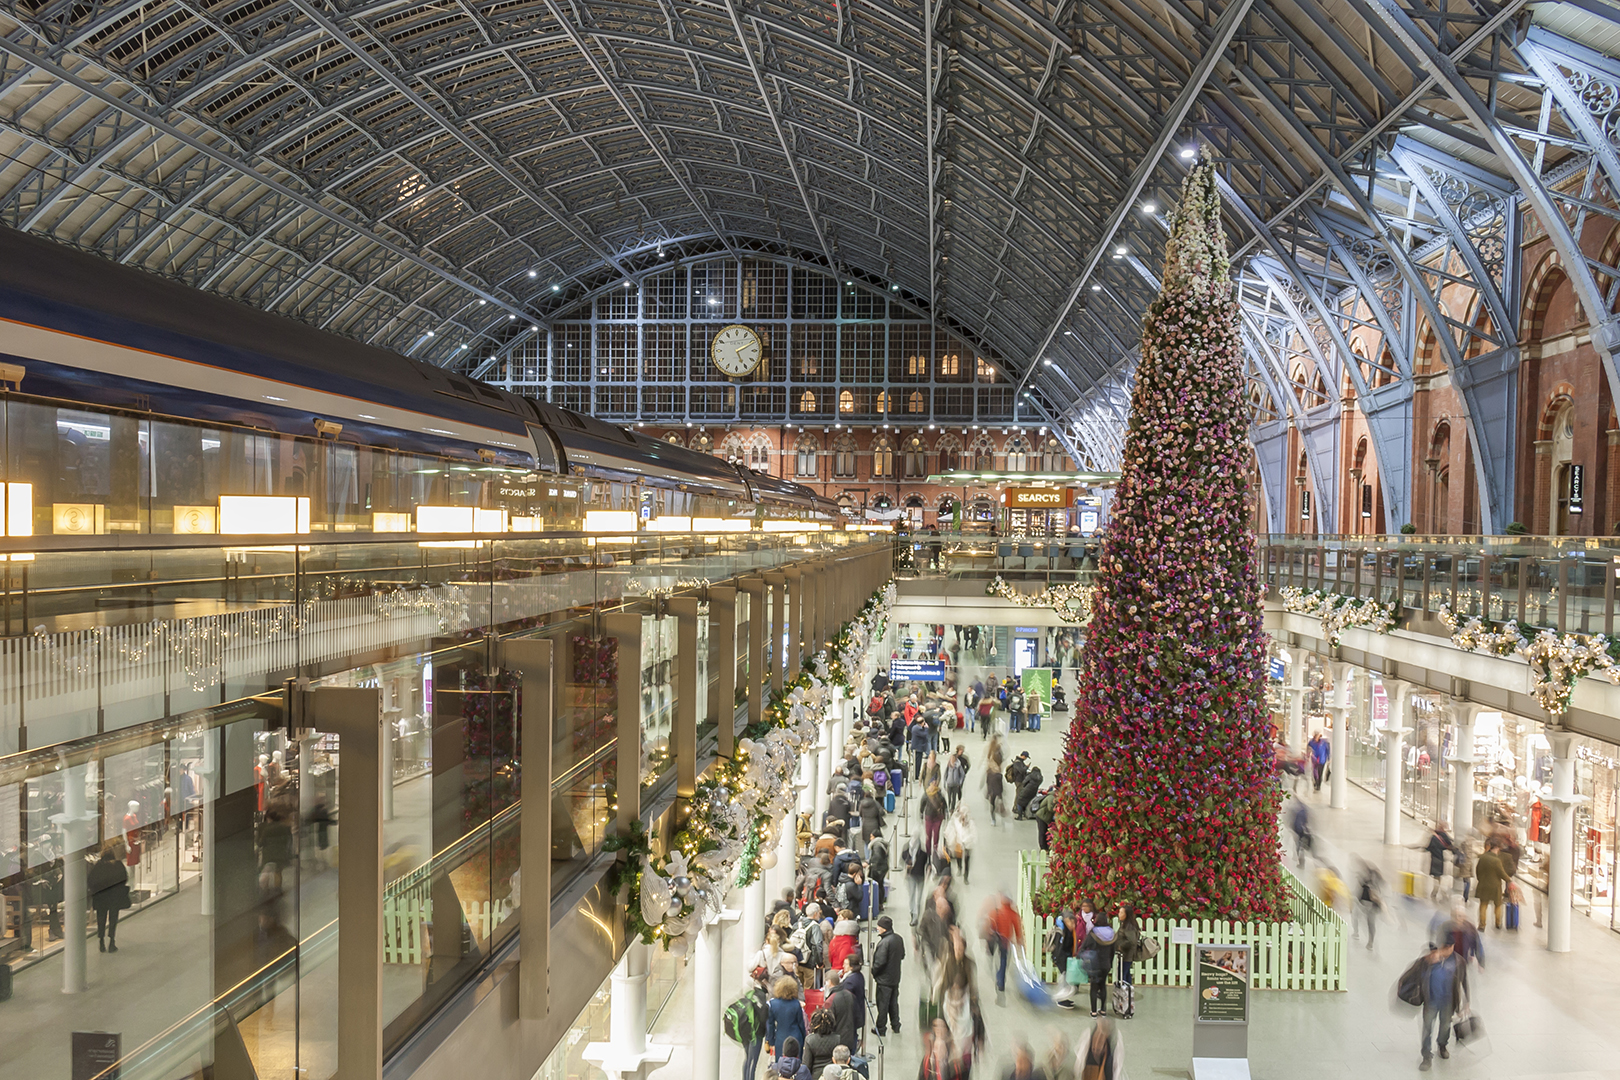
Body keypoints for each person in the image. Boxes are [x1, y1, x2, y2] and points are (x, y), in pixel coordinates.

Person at [1416, 943, 1463, 1070]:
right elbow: (1412, 975)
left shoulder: (1456, 962)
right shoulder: (1425, 963)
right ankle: (1426, 1056)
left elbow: (1462, 981)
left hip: (1447, 1002)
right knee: (1427, 1028)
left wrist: (1464, 1004)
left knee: (1445, 1026)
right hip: (1431, 1002)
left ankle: (1442, 1044)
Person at [982, 891, 1023, 1005]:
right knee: (1004, 961)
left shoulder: (995, 911)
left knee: (995, 959)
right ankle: (1001, 981)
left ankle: (997, 975)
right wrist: (1019, 941)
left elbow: (988, 924)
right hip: (1005, 941)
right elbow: (1017, 929)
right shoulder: (1013, 914)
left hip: (995, 938)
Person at [88, 844, 130, 953]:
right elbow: (124, 878)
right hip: (114, 896)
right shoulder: (118, 865)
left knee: (101, 919)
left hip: (101, 897)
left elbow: (90, 881)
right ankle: (112, 941)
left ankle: (101, 941)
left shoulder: (98, 866)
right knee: (113, 918)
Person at [872, 915, 906, 1037]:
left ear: (884, 928)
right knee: (893, 1003)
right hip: (895, 977)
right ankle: (896, 1025)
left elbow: (879, 963)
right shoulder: (898, 939)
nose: (877, 928)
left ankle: (880, 1028)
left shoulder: (884, 943)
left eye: (879, 926)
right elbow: (902, 955)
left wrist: (874, 972)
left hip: (884, 980)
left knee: (883, 1004)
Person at [1077, 914, 1117, 1017]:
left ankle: (1094, 1011)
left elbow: (1084, 946)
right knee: (1103, 986)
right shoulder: (1112, 934)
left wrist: (1080, 955)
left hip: (1094, 964)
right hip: (1106, 964)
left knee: (1094, 987)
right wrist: (1110, 963)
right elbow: (1113, 951)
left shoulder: (1093, 933)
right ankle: (1103, 1010)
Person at [1473, 840, 1509, 931]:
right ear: (1496, 848)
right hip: (1495, 886)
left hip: (1483, 884)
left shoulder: (1483, 857)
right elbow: (1502, 873)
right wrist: (1509, 880)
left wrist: (1481, 879)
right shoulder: (1496, 860)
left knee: (1483, 904)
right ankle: (1498, 923)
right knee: (1497, 904)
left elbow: (1477, 870)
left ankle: (1482, 924)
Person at [1414, 823, 1455, 900]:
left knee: (1436, 876)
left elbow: (1429, 847)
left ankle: (1435, 891)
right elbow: (1449, 845)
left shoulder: (1433, 837)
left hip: (1434, 859)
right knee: (1438, 876)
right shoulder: (1444, 835)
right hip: (1440, 859)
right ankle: (1436, 891)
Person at [1114, 904, 1142, 1004]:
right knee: (1125, 974)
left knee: (1123, 975)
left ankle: (1126, 996)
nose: (1119, 914)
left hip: (1126, 956)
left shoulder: (1129, 927)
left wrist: (1120, 946)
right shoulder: (1125, 925)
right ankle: (1127, 995)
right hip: (1124, 956)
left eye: (1121, 912)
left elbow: (1132, 941)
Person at [803, 1008, 843, 1077]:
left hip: (815, 1076)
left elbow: (806, 1065)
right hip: (832, 1075)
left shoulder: (809, 1040)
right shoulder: (837, 1039)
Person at [943, 804, 977, 884]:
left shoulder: (970, 823)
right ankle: (959, 867)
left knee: (967, 859)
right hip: (958, 842)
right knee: (959, 856)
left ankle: (966, 876)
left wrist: (971, 840)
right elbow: (950, 828)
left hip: (968, 844)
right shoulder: (955, 819)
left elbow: (974, 833)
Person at [905, 834, 930, 926]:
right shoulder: (907, 851)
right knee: (912, 896)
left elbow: (928, 864)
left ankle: (916, 915)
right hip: (911, 876)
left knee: (918, 898)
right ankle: (914, 914)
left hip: (920, 877)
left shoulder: (923, 853)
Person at [922, 783, 948, 856]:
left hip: (937, 818)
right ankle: (928, 852)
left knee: (936, 835)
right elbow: (922, 805)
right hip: (929, 817)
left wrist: (945, 815)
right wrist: (921, 815)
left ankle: (935, 851)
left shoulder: (939, 795)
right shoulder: (926, 795)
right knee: (928, 836)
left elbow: (945, 806)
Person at [985, 737, 1007, 823]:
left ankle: (993, 818)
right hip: (996, 790)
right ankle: (995, 816)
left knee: (993, 804)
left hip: (993, 790)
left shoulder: (990, 772)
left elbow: (988, 782)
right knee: (995, 802)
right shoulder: (997, 773)